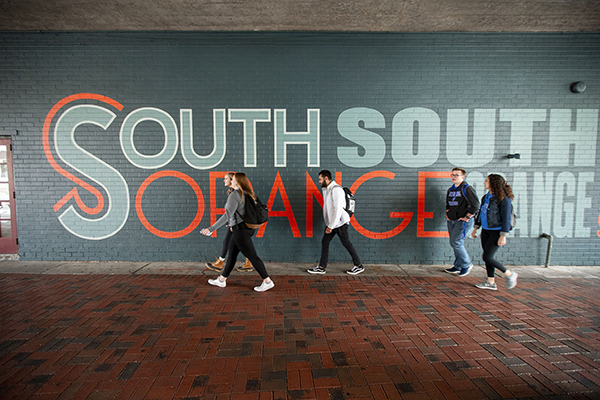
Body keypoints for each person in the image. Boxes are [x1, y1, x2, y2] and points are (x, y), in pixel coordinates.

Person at [200, 172, 274, 292]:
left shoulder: (235, 195)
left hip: (240, 231)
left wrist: (211, 228)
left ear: (238, 182)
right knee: (232, 255)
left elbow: (226, 216)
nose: (230, 181)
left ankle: (267, 281)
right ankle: (222, 279)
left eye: (232, 179)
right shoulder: (248, 193)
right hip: (245, 229)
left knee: (252, 256)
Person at [307, 170, 364, 275]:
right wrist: (329, 223)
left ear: (326, 178)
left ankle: (359, 265)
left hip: (340, 222)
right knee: (325, 242)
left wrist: (331, 226)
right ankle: (322, 267)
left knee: (346, 243)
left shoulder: (336, 190)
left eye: (320, 179)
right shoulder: (328, 189)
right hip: (333, 222)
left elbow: (338, 209)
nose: (319, 182)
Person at [471, 174, 518, 290]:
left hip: (496, 232)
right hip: (486, 231)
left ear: (493, 183)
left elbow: (506, 218)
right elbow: (481, 213)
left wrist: (503, 235)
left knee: (487, 257)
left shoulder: (504, 199)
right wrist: (476, 227)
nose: (484, 183)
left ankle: (510, 274)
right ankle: (490, 282)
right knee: (488, 256)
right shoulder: (486, 197)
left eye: (486, 181)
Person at [205, 172, 254, 273]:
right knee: (231, 243)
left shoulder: (236, 194)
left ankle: (223, 269)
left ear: (233, 180)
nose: (224, 180)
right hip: (240, 225)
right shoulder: (240, 192)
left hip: (239, 226)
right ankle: (223, 264)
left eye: (227, 179)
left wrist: (211, 229)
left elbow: (228, 214)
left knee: (236, 247)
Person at [445, 167, 480, 277]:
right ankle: (458, 265)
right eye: (453, 175)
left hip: (462, 221)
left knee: (456, 242)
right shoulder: (451, 190)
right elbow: (448, 204)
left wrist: (468, 217)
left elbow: (476, 205)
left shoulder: (467, 188)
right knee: (456, 243)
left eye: (457, 175)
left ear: (463, 177)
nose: (454, 177)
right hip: (452, 220)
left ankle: (466, 264)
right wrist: (447, 213)